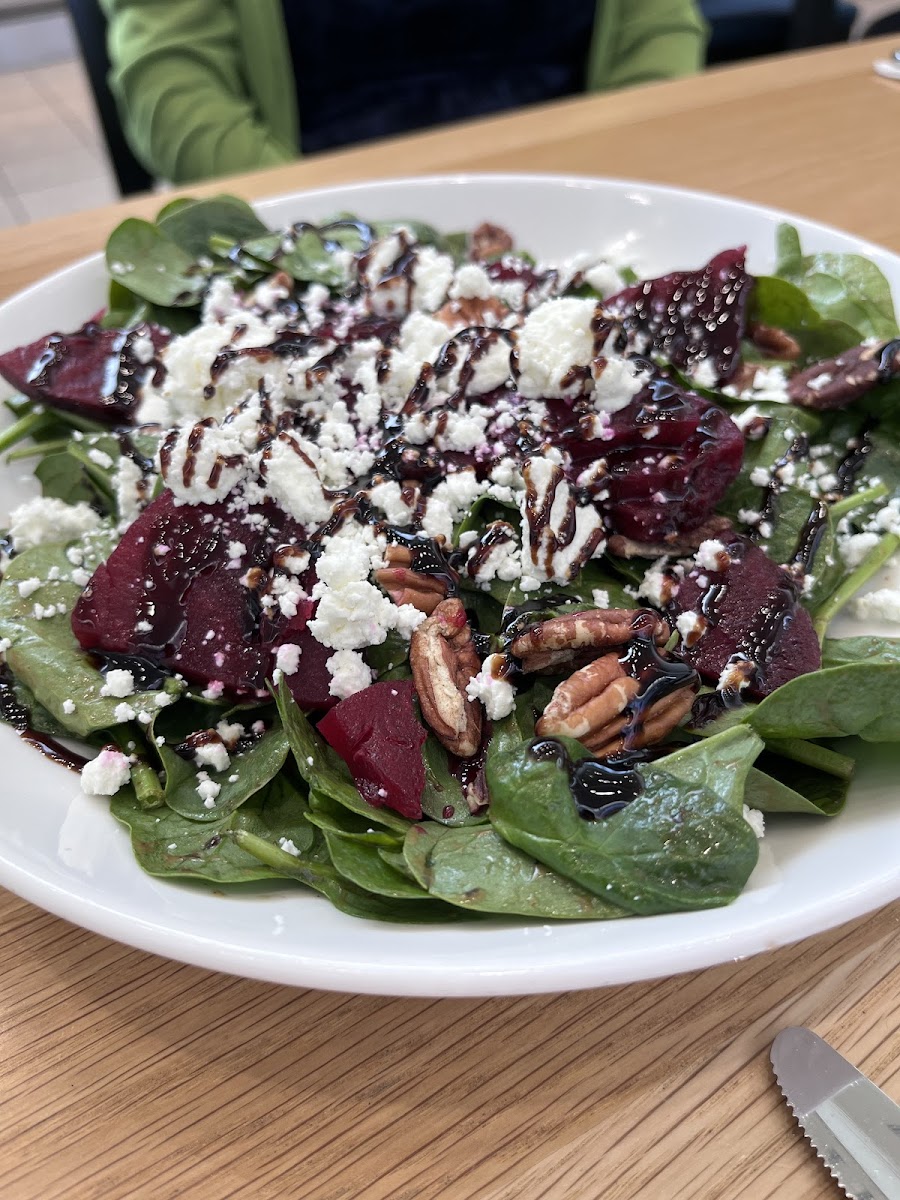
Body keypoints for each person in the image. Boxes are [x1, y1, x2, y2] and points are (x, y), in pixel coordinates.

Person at [100, 0, 708, 185]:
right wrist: (332, 248)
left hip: (575, 182)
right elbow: (176, 99)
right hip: (323, 214)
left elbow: (657, 35)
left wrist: (606, 196)